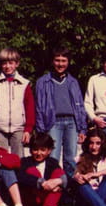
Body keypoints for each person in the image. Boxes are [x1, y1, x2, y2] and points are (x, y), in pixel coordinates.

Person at [34, 46, 87, 176]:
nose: (60, 64)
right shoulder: (43, 82)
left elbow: (80, 106)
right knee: (53, 157)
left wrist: (82, 129)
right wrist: (41, 130)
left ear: (68, 62)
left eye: (64, 61)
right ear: (52, 61)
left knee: (71, 158)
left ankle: (70, 185)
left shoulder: (73, 82)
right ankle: (54, 183)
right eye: (57, 60)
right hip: (53, 122)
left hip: (72, 123)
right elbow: (39, 107)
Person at [0, 47, 35, 157]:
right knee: (1, 157)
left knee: (19, 158)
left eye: (11, 63)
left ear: (17, 64)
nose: (7, 66)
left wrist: (28, 129)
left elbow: (29, 107)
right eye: (4, 63)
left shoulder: (24, 84)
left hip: (18, 128)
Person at [17, 133, 73, 206]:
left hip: (48, 197)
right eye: (35, 149)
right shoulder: (25, 162)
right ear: (30, 150)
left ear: (49, 151)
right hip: (32, 197)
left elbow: (67, 178)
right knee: (32, 171)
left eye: (43, 150)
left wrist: (58, 182)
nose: (39, 153)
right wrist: (41, 183)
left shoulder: (52, 162)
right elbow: (21, 177)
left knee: (58, 174)